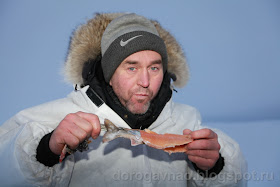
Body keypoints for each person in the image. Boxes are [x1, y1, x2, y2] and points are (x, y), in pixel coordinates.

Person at [0, 13, 247, 186]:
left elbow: (236, 181)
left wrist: (214, 167)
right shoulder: (57, 118)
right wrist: (46, 150)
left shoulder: (186, 120)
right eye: (131, 67)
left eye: (154, 68)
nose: (145, 81)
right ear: (108, 74)